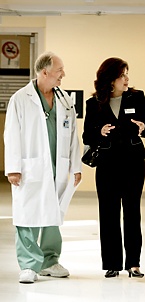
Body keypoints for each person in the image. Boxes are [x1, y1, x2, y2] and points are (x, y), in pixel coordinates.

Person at [4, 52, 82, 284]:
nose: (63, 75)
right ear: (44, 72)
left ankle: (50, 261)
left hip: (58, 167)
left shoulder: (65, 100)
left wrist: (76, 166)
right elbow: (12, 135)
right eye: (59, 71)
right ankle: (29, 265)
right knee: (26, 216)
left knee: (53, 214)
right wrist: (13, 168)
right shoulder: (21, 98)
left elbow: (72, 135)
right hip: (29, 168)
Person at [82, 57, 145, 278]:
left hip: (133, 162)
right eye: (122, 74)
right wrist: (99, 132)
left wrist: (143, 127)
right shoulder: (93, 103)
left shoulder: (137, 96)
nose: (127, 79)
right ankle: (112, 264)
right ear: (110, 79)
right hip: (106, 164)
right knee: (108, 213)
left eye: (126, 74)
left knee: (132, 213)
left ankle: (134, 264)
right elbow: (87, 135)